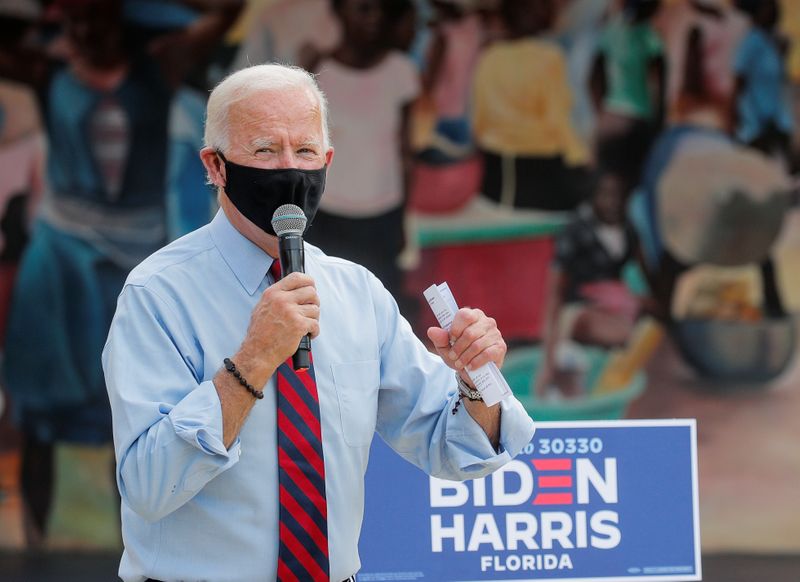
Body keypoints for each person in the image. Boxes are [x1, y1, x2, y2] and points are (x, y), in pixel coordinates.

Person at [102, 63, 535, 582]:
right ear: (215, 166)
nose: (290, 169)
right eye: (264, 150)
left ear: (327, 161)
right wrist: (253, 362)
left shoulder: (356, 292)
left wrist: (474, 380)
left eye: (305, 151)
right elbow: (148, 487)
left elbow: (454, 449)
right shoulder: (157, 294)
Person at [0, 0, 242, 545]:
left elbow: (226, 12)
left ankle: (128, 554)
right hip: (59, 266)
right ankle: (34, 549)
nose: (89, 32)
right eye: (78, 21)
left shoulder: (160, 67)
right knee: (40, 407)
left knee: (135, 410)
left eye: (102, 20)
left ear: (125, 25)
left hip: (136, 264)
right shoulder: (47, 73)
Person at [305, 0, 420, 308]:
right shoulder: (317, 71)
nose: (375, 17)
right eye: (364, 9)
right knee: (329, 304)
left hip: (383, 214)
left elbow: (406, 151)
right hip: (328, 214)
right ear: (339, 12)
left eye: (380, 9)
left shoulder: (401, 71)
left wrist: (404, 219)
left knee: (381, 305)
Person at [471, 0, 590, 210]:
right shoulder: (548, 57)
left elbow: (479, 121)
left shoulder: (488, 57)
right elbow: (558, 121)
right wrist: (582, 160)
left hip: (493, 179)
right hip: (538, 179)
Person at [536, 169, 641, 398]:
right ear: (592, 196)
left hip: (614, 309)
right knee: (620, 334)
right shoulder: (576, 231)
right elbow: (556, 291)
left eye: (619, 196)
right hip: (577, 313)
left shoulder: (628, 230)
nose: (612, 202)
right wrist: (549, 351)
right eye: (605, 194)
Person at [732, 0, 794, 165]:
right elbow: (739, 81)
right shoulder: (751, 42)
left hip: (777, 123)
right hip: (755, 126)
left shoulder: (774, 42)